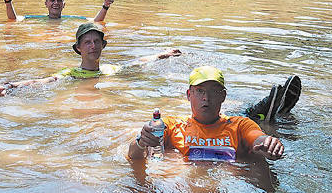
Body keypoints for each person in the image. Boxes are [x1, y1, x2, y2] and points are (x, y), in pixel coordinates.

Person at [128, 66, 300, 162]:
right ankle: (262, 112)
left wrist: (269, 143)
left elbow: (257, 138)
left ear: (223, 95)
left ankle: (261, 114)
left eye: (214, 91)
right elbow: (133, 155)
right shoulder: (171, 125)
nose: (206, 98)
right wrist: (142, 142)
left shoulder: (240, 125)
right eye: (200, 91)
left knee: (250, 121)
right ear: (189, 95)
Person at [0, 22, 180, 96]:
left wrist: (165, 54)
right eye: (87, 42)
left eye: (97, 42)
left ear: (103, 46)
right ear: (78, 48)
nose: (93, 46)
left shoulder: (111, 69)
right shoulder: (71, 74)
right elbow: (43, 81)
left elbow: (139, 61)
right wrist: (11, 86)